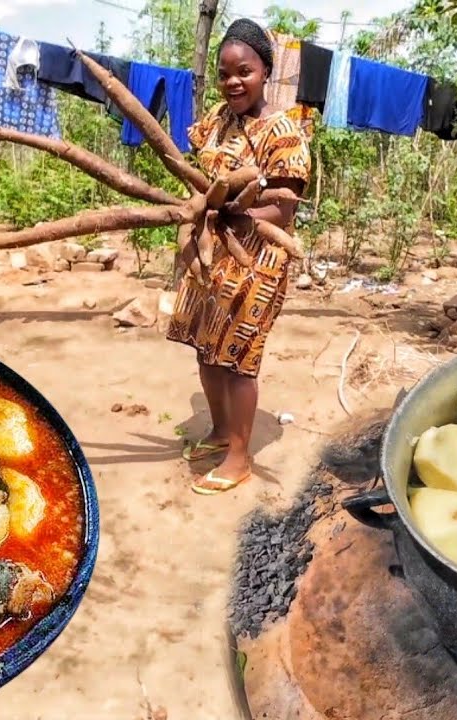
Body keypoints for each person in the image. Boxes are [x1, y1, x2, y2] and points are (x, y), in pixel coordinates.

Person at [166, 19, 311, 495]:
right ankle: (221, 429)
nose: (233, 82)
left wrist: (235, 208)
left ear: (265, 71)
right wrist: (202, 209)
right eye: (225, 73)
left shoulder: (283, 132)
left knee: (238, 359)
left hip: (257, 261)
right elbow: (196, 171)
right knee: (206, 350)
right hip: (212, 256)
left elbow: (285, 208)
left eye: (243, 71)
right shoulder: (216, 120)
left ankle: (239, 457)